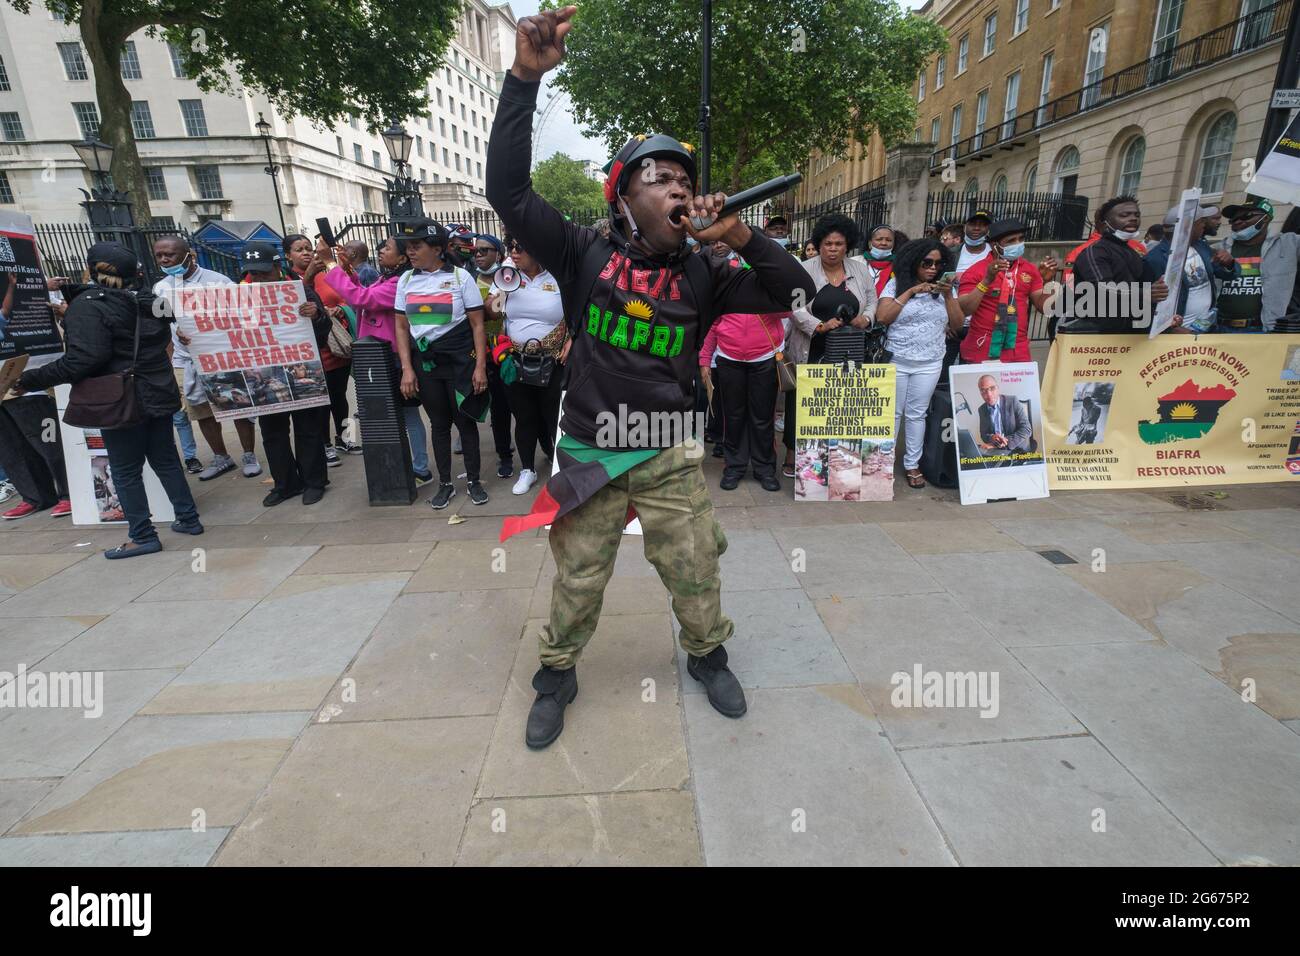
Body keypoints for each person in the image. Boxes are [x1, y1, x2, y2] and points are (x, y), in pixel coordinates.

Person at [487, 4, 814, 749]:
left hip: (668, 451)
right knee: (578, 579)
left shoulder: (710, 269)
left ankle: (708, 656)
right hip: (593, 449)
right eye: (657, 177)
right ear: (622, 197)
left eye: (684, 180)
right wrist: (523, 81)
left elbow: (808, 298)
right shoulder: (580, 253)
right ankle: (557, 673)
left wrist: (740, 235)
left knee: (695, 567)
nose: (676, 188)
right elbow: (507, 193)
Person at [15, 242, 201, 556]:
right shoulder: (151, 300)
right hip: (157, 390)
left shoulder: (90, 305)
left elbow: (84, 359)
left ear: (92, 270)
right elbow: (154, 333)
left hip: (121, 398)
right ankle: (188, 518)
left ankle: (142, 536)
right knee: (165, 458)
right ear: (135, 272)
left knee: (125, 468)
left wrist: (29, 379)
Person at [319, 233, 434, 483]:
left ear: (402, 257)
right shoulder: (386, 278)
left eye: (388, 248)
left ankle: (420, 467)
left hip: (391, 357)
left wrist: (329, 265)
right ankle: (400, 464)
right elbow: (360, 292)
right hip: (376, 357)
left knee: (408, 415)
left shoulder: (399, 283)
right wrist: (346, 269)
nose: (381, 250)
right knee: (389, 415)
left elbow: (362, 298)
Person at [392, 218, 490, 509]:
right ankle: (446, 483)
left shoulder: (461, 278)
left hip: (460, 362)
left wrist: (480, 366)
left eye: (416, 246)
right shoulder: (406, 280)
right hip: (428, 365)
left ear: (436, 248)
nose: (410, 252)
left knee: (465, 420)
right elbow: (400, 327)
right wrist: (407, 369)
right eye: (407, 247)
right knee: (438, 424)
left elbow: (477, 325)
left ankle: (473, 481)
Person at [151, 236, 262, 480]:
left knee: (237, 405)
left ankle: (248, 454)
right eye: (159, 255)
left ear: (188, 254)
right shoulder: (160, 289)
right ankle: (221, 457)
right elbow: (160, 326)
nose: (164, 259)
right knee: (200, 410)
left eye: (169, 254)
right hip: (185, 360)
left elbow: (243, 317)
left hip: (222, 356)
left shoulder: (218, 282)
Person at [782, 213, 878, 477]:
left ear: (847, 245)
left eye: (838, 244)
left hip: (848, 346)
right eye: (827, 244)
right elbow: (795, 306)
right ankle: (793, 456)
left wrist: (865, 318)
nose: (833, 249)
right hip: (811, 347)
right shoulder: (804, 269)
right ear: (819, 244)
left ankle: (834, 456)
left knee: (837, 404)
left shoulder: (859, 269)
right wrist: (819, 326)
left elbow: (872, 300)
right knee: (800, 403)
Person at [241, 241, 332, 506]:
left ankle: (314, 481)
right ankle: (285, 484)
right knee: (272, 432)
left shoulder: (300, 290)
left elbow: (324, 332)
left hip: (301, 370)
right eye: (253, 273)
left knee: (308, 429)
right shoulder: (241, 294)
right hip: (265, 372)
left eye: (263, 272)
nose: (258, 278)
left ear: (277, 267)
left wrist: (315, 316)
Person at [876, 238, 965, 489]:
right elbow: (883, 317)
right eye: (927, 262)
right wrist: (911, 291)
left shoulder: (946, 291)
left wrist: (948, 295)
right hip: (897, 360)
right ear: (914, 262)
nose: (932, 268)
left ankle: (911, 464)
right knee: (892, 414)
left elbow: (957, 324)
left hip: (930, 361)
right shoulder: (895, 285)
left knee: (917, 414)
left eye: (938, 263)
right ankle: (884, 461)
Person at [487, 235, 565, 495]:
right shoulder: (507, 278)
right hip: (516, 360)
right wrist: (503, 290)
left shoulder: (556, 277)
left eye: (520, 248)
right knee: (524, 416)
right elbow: (491, 313)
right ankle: (528, 469)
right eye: (511, 248)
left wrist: (571, 341)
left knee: (554, 416)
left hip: (552, 359)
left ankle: (561, 466)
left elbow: (579, 312)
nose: (514, 253)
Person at [699, 291, 789, 493]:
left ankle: (764, 469)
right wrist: (705, 359)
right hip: (728, 359)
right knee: (733, 416)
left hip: (765, 358)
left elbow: (787, 312)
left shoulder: (768, 284)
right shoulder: (725, 288)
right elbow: (713, 326)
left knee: (762, 417)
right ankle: (734, 467)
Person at [0, 272, 72, 519]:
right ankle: (36, 496)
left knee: (47, 441)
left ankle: (68, 492)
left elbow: (7, 310)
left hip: (22, 382)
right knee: (11, 448)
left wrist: (34, 285)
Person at [1057, 197, 1168, 334]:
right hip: (1093, 335)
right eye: (1124, 215)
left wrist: (1164, 319)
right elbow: (1103, 288)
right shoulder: (1095, 252)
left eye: (1136, 215)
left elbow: (1142, 292)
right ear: (1105, 224)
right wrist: (1145, 293)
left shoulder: (1133, 252)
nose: (1133, 218)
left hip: (1126, 332)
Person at [294, 234, 358, 462]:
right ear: (287, 255)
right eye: (299, 249)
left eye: (308, 248)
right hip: (313, 349)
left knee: (341, 396)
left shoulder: (326, 274)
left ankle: (346, 438)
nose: (305, 253)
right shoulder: (287, 279)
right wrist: (308, 278)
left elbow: (348, 296)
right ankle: (325, 444)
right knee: (321, 400)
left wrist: (339, 309)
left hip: (337, 346)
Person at [958, 218, 1057, 362]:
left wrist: (1048, 282)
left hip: (1018, 350)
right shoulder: (976, 271)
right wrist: (987, 280)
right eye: (1011, 241)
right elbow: (965, 309)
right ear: (994, 245)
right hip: (983, 347)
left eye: (1021, 239)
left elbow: (1045, 308)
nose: (1018, 244)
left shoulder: (1029, 270)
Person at [1144, 204, 1234, 334]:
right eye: (1201, 222)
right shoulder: (1154, 259)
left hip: (1208, 327)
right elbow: (1148, 303)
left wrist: (1229, 263)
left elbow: (1227, 273)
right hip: (1179, 335)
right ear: (1187, 227)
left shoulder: (1202, 246)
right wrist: (1169, 329)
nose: (1204, 225)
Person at [1214, 197, 1300, 333]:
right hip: (1220, 328)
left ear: (1265, 218)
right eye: (1233, 220)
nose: (1238, 222)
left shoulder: (1289, 243)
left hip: (1262, 329)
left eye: (1246, 216)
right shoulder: (1219, 248)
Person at [473, 233, 516, 479]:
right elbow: (487, 316)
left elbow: (498, 313)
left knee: (520, 407)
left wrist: (502, 285)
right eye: (476, 251)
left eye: (485, 250)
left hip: (509, 350)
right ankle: (505, 456)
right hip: (486, 354)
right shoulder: (469, 281)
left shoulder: (511, 278)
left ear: (498, 254)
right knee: (499, 411)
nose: (478, 255)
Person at [975, 373, 1031, 460]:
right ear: (980, 393)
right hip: (997, 450)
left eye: (992, 388)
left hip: (1017, 449)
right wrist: (992, 437)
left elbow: (1026, 429)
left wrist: (1006, 442)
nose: (989, 394)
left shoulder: (1012, 401)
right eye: (983, 390)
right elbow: (983, 434)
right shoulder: (982, 409)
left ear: (998, 388)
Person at [955, 208, 995, 275]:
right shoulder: (952, 252)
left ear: (989, 229)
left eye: (983, 225)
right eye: (972, 224)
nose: (976, 228)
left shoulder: (995, 253)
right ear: (964, 227)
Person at [862, 224, 895, 296]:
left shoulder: (899, 265)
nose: (884, 243)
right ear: (870, 243)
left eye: (889, 240)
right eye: (879, 239)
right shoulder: (856, 262)